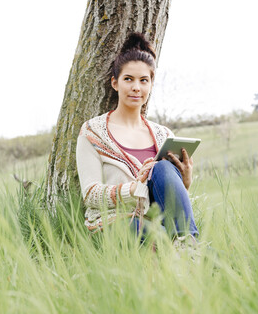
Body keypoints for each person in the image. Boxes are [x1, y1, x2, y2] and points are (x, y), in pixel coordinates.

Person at [76, 32, 198, 241]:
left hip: (158, 219)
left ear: (151, 85)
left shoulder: (164, 135)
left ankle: (189, 245)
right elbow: (90, 195)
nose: (136, 87)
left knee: (163, 167)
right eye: (128, 79)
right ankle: (192, 254)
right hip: (115, 222)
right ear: (115, 83)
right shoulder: (93, 132)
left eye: (143, 80)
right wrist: (132, 188)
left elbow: (168, 197)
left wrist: (184, 181)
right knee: (157, 238)